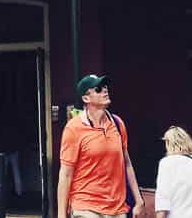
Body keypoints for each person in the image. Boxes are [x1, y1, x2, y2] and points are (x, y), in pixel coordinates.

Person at [58, 75, 145, 218]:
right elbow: (66, 174)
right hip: (86, 206)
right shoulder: (73, 128)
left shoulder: (117, 124)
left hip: (117, 208)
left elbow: (127, 163)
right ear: (86, 98)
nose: (105, 90)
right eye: (98, 89)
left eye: (105, 87)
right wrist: (61, 215)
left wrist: (139, 200)